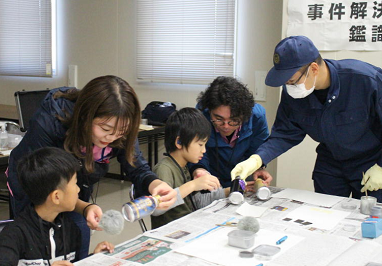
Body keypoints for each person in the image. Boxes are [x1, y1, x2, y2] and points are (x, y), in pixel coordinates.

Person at [7, 75, 177, 258]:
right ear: (86, 116)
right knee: (36, 244)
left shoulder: (119, 127)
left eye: (121, 132)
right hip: (33, 186)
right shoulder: (50, 122)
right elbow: (43, 185)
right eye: (105, 129)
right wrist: (83, 206)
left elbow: (136, 166)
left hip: (72, 190)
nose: (112, 137)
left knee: (79, 231)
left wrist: (155, 184)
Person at [231, 35, 382, 202]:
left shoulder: (365, 80)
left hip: (372, 162)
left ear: (314, 69)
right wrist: (257, 159)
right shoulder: (294, 93)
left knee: (372, 217)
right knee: (324, 214)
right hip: (331, 162)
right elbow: (284, 133)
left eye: (292, 81)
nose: (289, 87)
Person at [0, 147, 115, 265]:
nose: (78, 190)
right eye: (75, 184)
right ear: (56, 196)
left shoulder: (71, 229)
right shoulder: (15, 234)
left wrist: (94, 258)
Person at [151, 108, 229, 229]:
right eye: (200, 145)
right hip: (172, 233)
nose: (204, 150)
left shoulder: (184, 166)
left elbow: (195, 202)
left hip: (188, 226)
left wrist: (230, 191)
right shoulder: (164, 169)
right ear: (179, 142)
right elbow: (156, 208)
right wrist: (193, 185)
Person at [189, 76, 272, 189]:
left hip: (243, 177)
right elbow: (196, 151)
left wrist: (258, 167)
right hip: (211, 178)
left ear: (245, 115)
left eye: (234, 120)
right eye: (218, 119)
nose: (226, 126)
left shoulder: (257, 116)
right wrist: (199, 169)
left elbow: (258, 150)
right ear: (210, 111)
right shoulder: (201, 114)